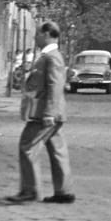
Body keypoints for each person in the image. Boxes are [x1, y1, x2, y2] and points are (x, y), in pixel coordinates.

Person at [8, 20, 74, 204]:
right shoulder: (49, 55)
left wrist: (48, 113)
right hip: (53, 113)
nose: (35, 37)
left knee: (27, 146)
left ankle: (30, 190)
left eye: (37, 34)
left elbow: (55, 86)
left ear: (46, 34)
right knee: (57, 150)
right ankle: (64, 191)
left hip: (44, 113)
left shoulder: (51, 56)